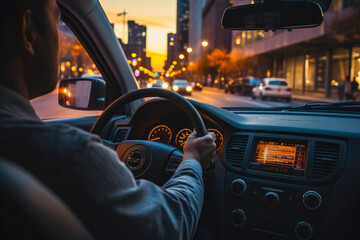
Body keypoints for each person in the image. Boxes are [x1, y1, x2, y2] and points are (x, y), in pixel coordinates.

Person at [0, 0, 217, 239]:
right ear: (27, 32)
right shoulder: (74, 156)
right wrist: (193, 159)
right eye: (56, 19)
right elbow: (170, 224)